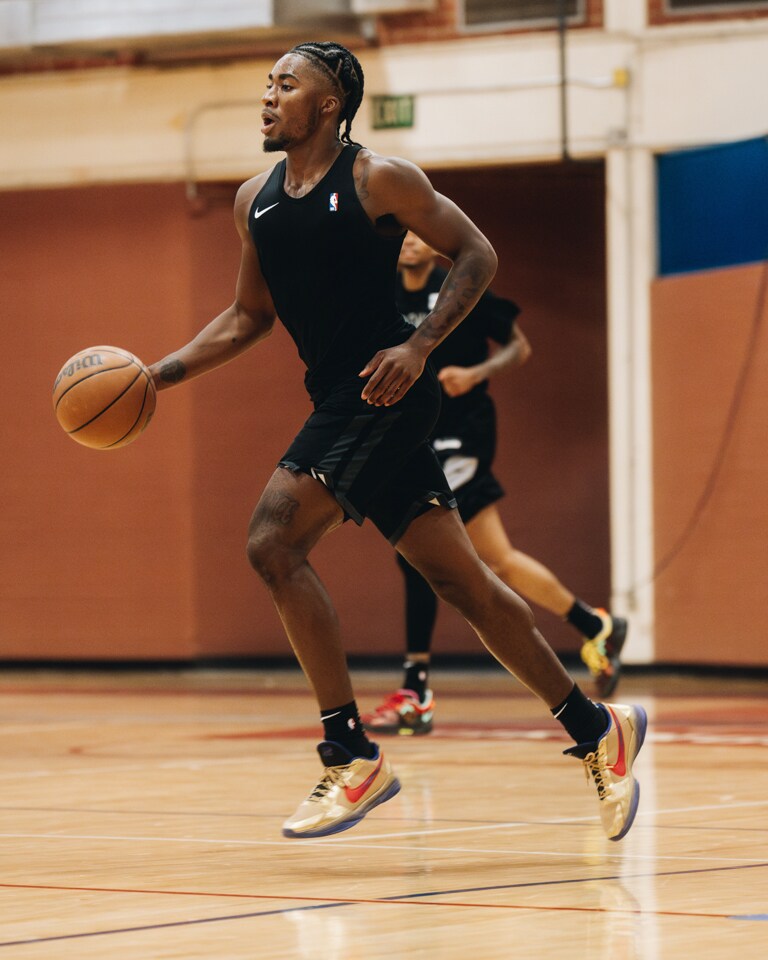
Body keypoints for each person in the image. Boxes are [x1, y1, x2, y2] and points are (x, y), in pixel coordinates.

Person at [147, 40, 646, 842]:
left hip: (384, 393)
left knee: (273, 540)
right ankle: (598, 728)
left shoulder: (380, 179)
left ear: (331, 103)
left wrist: (421, 348)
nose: (269, 95)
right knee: (467, 586)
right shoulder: (255, 201)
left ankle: (350, 753)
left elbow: (477, 254)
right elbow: (249, 318)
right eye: (267, 83)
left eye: (288, 83)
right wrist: (157, 376)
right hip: (343, 399)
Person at [363, 233, 627, 737]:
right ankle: (595, 627)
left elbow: (518, 348)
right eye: (403, 234)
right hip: (417, 434)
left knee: (416, 547)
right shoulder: (384, 294)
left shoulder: (460, 288)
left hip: (465, 436)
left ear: (434, 242)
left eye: (421, 232)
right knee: (496, 558)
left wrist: (477, 372)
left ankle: (415, 692)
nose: (412, 242)